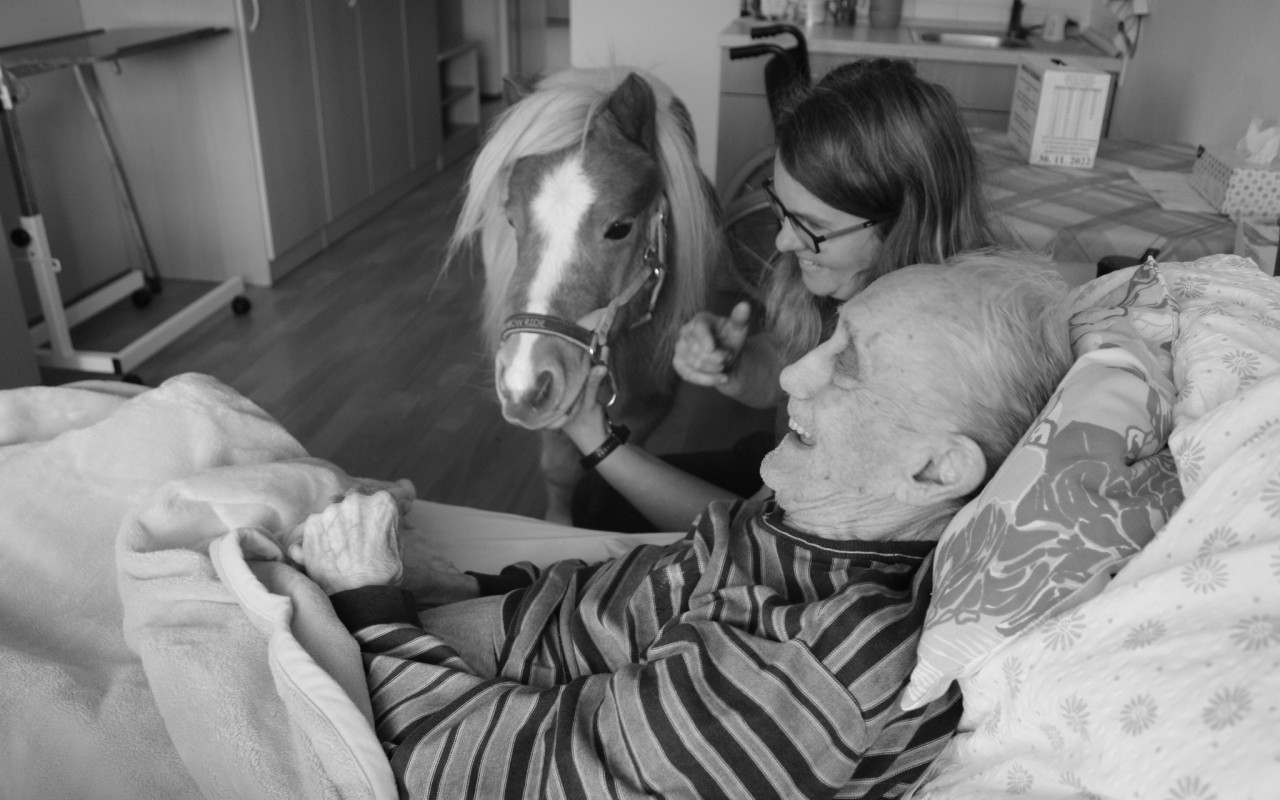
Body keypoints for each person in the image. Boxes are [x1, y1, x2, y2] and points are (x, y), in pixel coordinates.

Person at [292, 254, 1072, 800]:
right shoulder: (815, 523)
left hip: (414, 724)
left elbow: (503, 775)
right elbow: (650, 591)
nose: (797, 373)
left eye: (849, 364)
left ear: (936, 470)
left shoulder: (836, 660)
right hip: (466, 651)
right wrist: (464, 585)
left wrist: (369, 605)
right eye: (828, 339)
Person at [569, 58, 999, 532]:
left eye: (813, 228)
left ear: (905, 222)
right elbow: (793, 360)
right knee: (597, 498)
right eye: (782, 209)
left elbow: (751, 534)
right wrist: (738, 364)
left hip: (797, 517)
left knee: (602, 492)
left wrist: (596, 439)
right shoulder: (857, 278)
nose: (783, 243)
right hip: (788, 459)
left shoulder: (914, 380)